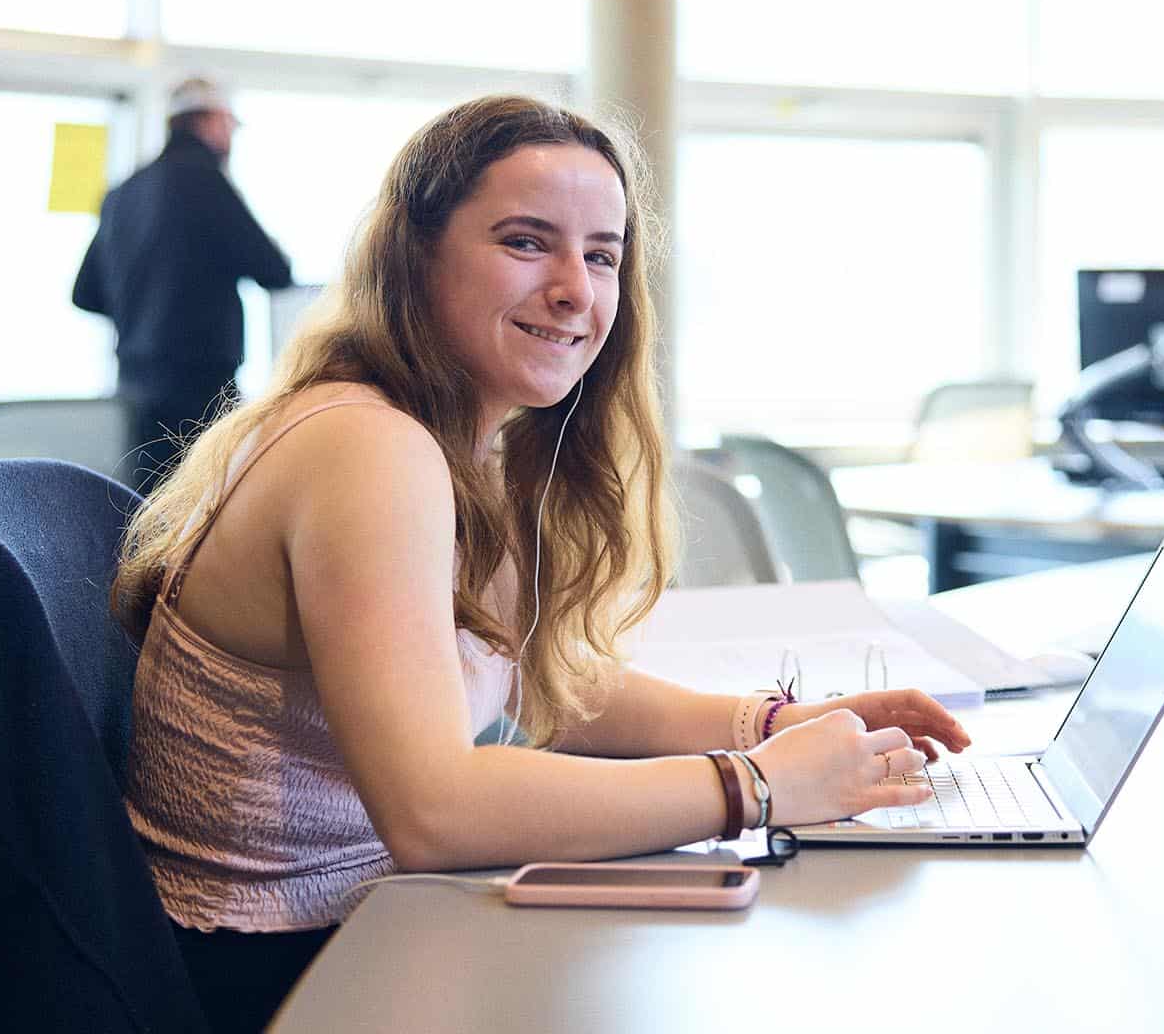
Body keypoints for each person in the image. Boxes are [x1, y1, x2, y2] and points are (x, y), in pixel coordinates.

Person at [111, 95, 970, 1031]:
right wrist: (757, 785)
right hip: (279, 972)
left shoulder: (457, 441)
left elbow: (546, 686)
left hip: (361, 923)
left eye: (602, 255)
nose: (576, 290)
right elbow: (436, 810)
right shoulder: (364, 447)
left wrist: (779, 723)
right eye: (527, 242)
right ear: (417, 255)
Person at [73, 76, 293, 494]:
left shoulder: (122, 193)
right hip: (201, 389)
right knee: (201, 516)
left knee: (146, 510)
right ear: (211, 121)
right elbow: (273, 270)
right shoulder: (208, 184)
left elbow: (85, 294)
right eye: (229, 124)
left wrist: (137, 308)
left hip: (133, 386)